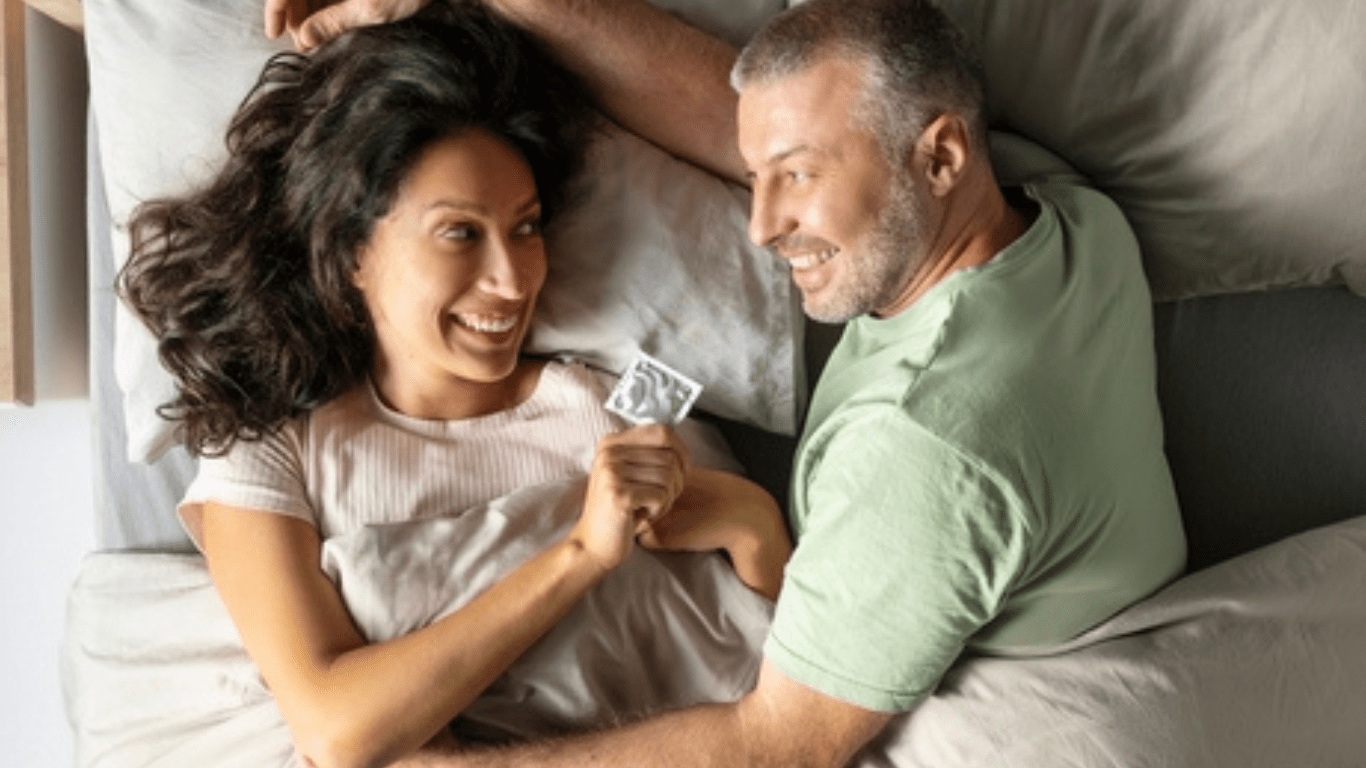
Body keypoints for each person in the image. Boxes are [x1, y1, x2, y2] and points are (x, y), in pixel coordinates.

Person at [264, 0, 1189, 766]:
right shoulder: (1061, 216)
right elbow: (754, 110)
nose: (758, 227)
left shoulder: (920, 452)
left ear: (941, 155)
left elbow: (774, 745)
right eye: (756, 176)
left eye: (795, 178)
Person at [117, 5, 792, 768]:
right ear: (349, 255)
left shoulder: (608, 407)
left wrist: (755, 522)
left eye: (527, 227)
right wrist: (579, 554)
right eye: (461, 234)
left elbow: (785, 664)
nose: (512, 279)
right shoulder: (274, 451)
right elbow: (335, 729)